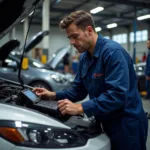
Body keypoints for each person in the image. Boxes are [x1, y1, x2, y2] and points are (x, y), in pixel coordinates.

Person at [33, 10, 148, 150]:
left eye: (75, 36)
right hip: (103, 120)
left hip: (126, 124)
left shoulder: (113, 53)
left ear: (89, 30)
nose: (72, 42)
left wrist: (81, 107)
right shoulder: (85, 58)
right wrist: (53, 95)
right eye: (69, 38)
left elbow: (117, 95)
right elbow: (78, 91)